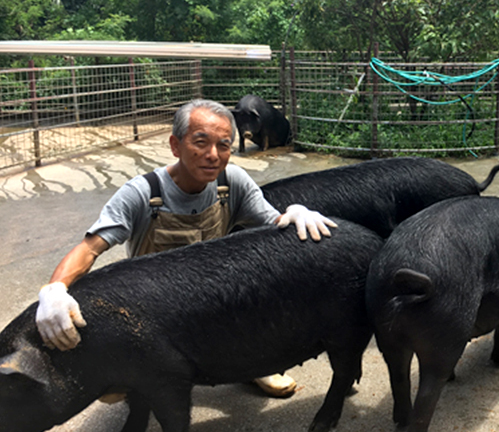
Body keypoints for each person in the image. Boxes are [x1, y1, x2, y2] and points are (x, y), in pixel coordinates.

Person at [34, 98, 336, 398]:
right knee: (114, 391)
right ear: (175, 146)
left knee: (261, 294)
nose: (213, 155)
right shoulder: (142, 192)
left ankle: (252, 364)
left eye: (224, 145)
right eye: (200, 142)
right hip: (154, 308)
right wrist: (54, 290)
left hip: (216, 297)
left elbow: (273, 222)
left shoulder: (232, 182)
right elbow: (89, 248)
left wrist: (294, 213)